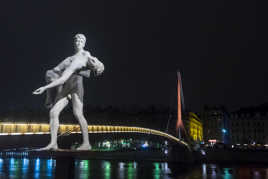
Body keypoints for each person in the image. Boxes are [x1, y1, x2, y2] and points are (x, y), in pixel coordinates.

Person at [33, 34, 104, 150]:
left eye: (82, 40)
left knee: (78, 113)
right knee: (53, 112)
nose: (79, 41)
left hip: (76, 86)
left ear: (84, 43)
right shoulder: (69, 59)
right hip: (66, 86)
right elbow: (55, 72)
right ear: (74, 42)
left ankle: (86, 143)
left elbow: (93, 66)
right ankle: (53, 143)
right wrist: (48, 90)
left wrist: (45, 88)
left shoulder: (84, 57)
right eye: (77, 39)